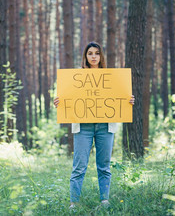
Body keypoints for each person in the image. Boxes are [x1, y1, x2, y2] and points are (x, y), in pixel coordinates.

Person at [54, 41, 135, 209]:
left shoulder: (110, 78)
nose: (93, 56)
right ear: (85, 56)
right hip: (83, 127)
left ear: (101, 56)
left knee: (104, 166)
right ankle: (74, 203)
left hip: (105, 127)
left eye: (96, 53)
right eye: (90, 53)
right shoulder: (76, 78)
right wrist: (59, 102)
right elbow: (66, 98)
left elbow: (120, 97)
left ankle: (104, 201)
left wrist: (128, 100)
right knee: (79, 166)